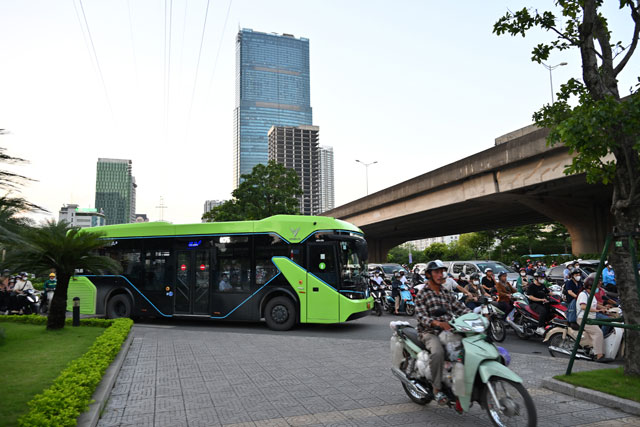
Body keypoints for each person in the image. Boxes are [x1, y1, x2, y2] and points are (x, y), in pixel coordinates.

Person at [415, 260, 470, 405]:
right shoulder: (422, 293)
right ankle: (437, 389)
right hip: (429, 332)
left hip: (449, 330)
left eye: (442, 272)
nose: (440, 275)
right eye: (437, 272)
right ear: (429, 275)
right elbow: (421, 316)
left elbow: (461, 308)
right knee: (438, 352)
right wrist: (437, 323)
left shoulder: (446, 293)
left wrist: (476, 316)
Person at [577, 274, 611, 362]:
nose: (597, 288)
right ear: (589, 286)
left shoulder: (591, 295)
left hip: (591, 319)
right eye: (596, 286)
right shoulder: (583, 294)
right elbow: (583, 307)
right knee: (598, 333)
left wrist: (605, 309)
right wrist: (598, 311)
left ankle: (594, 350)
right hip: (583, 319)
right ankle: (599, 356)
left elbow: (596, 305)